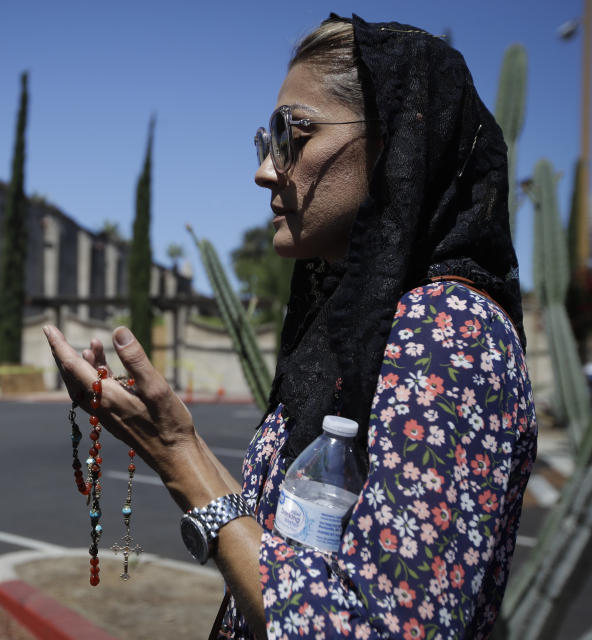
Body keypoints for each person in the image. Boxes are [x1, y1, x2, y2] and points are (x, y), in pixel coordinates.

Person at [44, 14, 536, 639]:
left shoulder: (448, 336)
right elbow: (285, 547)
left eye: (293, 134)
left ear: (395, 143)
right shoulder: (362, 326)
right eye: (264, 140)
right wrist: (175, 435)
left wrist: (176, 460)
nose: (265, 170)